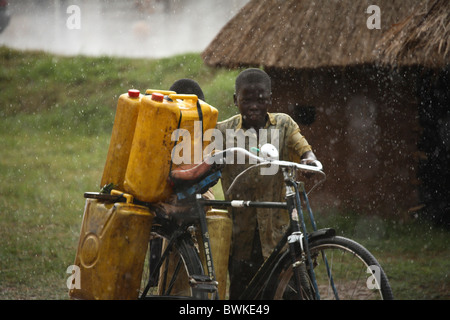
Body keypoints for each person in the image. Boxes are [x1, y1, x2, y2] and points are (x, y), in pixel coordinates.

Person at [215, 68, 319, 299]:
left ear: (270, 99)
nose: (254, 105)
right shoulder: (223, 131)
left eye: (261, 99)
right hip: (241, 232)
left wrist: (308, 159)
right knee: (243, 292)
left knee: (288, 288)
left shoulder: (283, 124)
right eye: (246, 100)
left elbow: (301, 145)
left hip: (277, 230)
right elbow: (206, 161)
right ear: (235, 100)